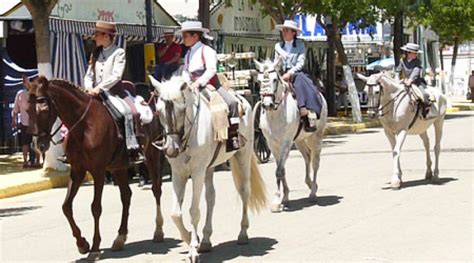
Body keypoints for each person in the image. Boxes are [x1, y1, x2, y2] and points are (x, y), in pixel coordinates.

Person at [179, 20, 242, 151]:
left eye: (185, 36)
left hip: (210, 84)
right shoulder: (188, 54)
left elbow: (211, 70)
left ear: (195, 36)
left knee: (231, 103)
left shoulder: (207, 51)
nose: (183, 39)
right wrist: (187, 83)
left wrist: (199, 82)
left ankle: (233, 135)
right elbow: (185, 70)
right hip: (192, 85)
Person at [83, 21, 141, 155]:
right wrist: (88, 87)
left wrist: (99, 88)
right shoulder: (95, 54)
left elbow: (116, 76)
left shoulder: (118, 52)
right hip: (94, 93)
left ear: (106, 36)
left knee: (131, 113)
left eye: (97, 34)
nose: (94, 37)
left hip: (114, 93)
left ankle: (132, 148)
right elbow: (89, 75)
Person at [274, 20, 322, 132]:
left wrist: (290, 73)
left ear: (293, 33)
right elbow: (276, 61)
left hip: (295, 73)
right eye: (283, 30)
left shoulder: (300, 45)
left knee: (299, 81)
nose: (284, 33)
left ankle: (304, 109)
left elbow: (300, 63)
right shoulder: (278, 46)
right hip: (281, 73)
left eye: (286, 30)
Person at [395, 43, 431, 117]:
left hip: (416, 82)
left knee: (424, 95)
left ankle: (425, 111)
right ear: (408, 53)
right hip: (404, 82)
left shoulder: (417, 62)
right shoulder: (402, 61)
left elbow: (416, 71)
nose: (416, 55)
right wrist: (397, 79)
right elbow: (398, 70)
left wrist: (410, 80)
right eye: (414, 53)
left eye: (416, 53)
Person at [12, 88, 41, 168]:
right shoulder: (37, 92)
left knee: (25, 143)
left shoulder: (20, 93)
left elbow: (15, 109)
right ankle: (37, 161)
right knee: (35, 142)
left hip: (25, 122)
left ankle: (25, 161)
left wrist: (13, 120)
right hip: (35, 122)